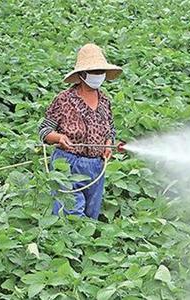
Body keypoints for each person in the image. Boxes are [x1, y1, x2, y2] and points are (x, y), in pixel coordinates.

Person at [38, 43, 122, 219]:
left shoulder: (105, 101)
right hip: (67, 163)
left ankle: (85, 246)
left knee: (90, 217)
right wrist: (59, 138)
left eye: (101, 72)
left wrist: (108, 144)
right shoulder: (64, 100)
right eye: (94, 72)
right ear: (82, 75)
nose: (98, 76)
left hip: (96, 166)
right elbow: (44, 130)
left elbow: (110, 131)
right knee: (71, 214)